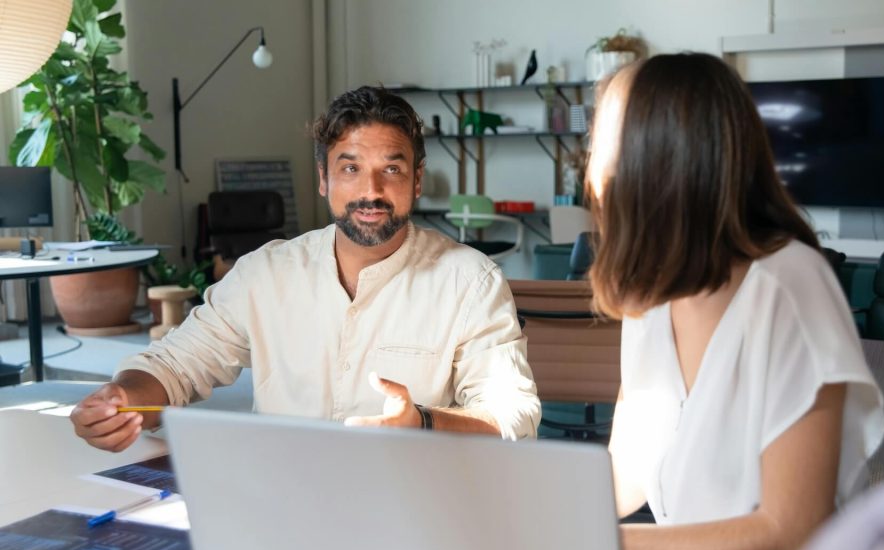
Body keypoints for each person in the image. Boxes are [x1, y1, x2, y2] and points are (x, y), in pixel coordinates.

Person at [71, 86, 540, 451]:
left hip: (409, 501)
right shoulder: (265, 274)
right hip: (278, 497)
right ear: (323, 178)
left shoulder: (470, 281)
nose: (370, 190)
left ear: (417, 180)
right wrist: (124, 401)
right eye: (350, 168)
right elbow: (175, 366)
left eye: (391, 169)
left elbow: (511, 420)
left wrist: (423, 422)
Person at [585, 53, 884, 550]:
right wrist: (524, 507)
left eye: (600, 141)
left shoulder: (790, 287)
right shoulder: (651, 294)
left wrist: (593, 542)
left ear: (656, 158)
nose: (591, 167)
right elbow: (626, 474)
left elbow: (789, 534)